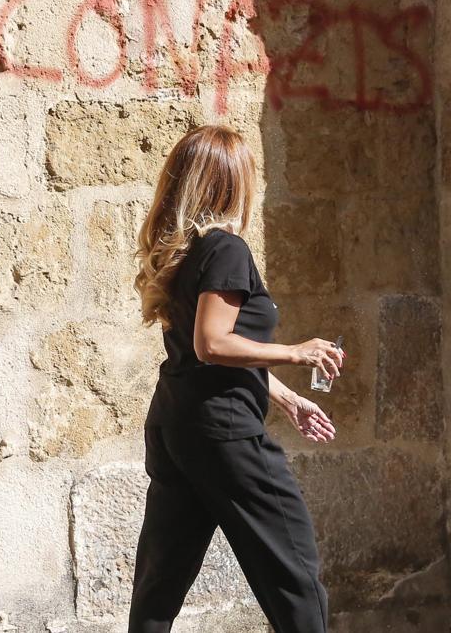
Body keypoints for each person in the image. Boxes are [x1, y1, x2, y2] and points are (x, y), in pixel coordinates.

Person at [128, 124, 344, 633]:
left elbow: (203, 353)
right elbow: (212, 343)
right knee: (294, 573)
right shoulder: (227, 250)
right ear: (233, 183)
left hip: (177, 425)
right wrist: (297, 352)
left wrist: (287, 398)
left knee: (160, 583)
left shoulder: (185, 253)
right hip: (225, 435)